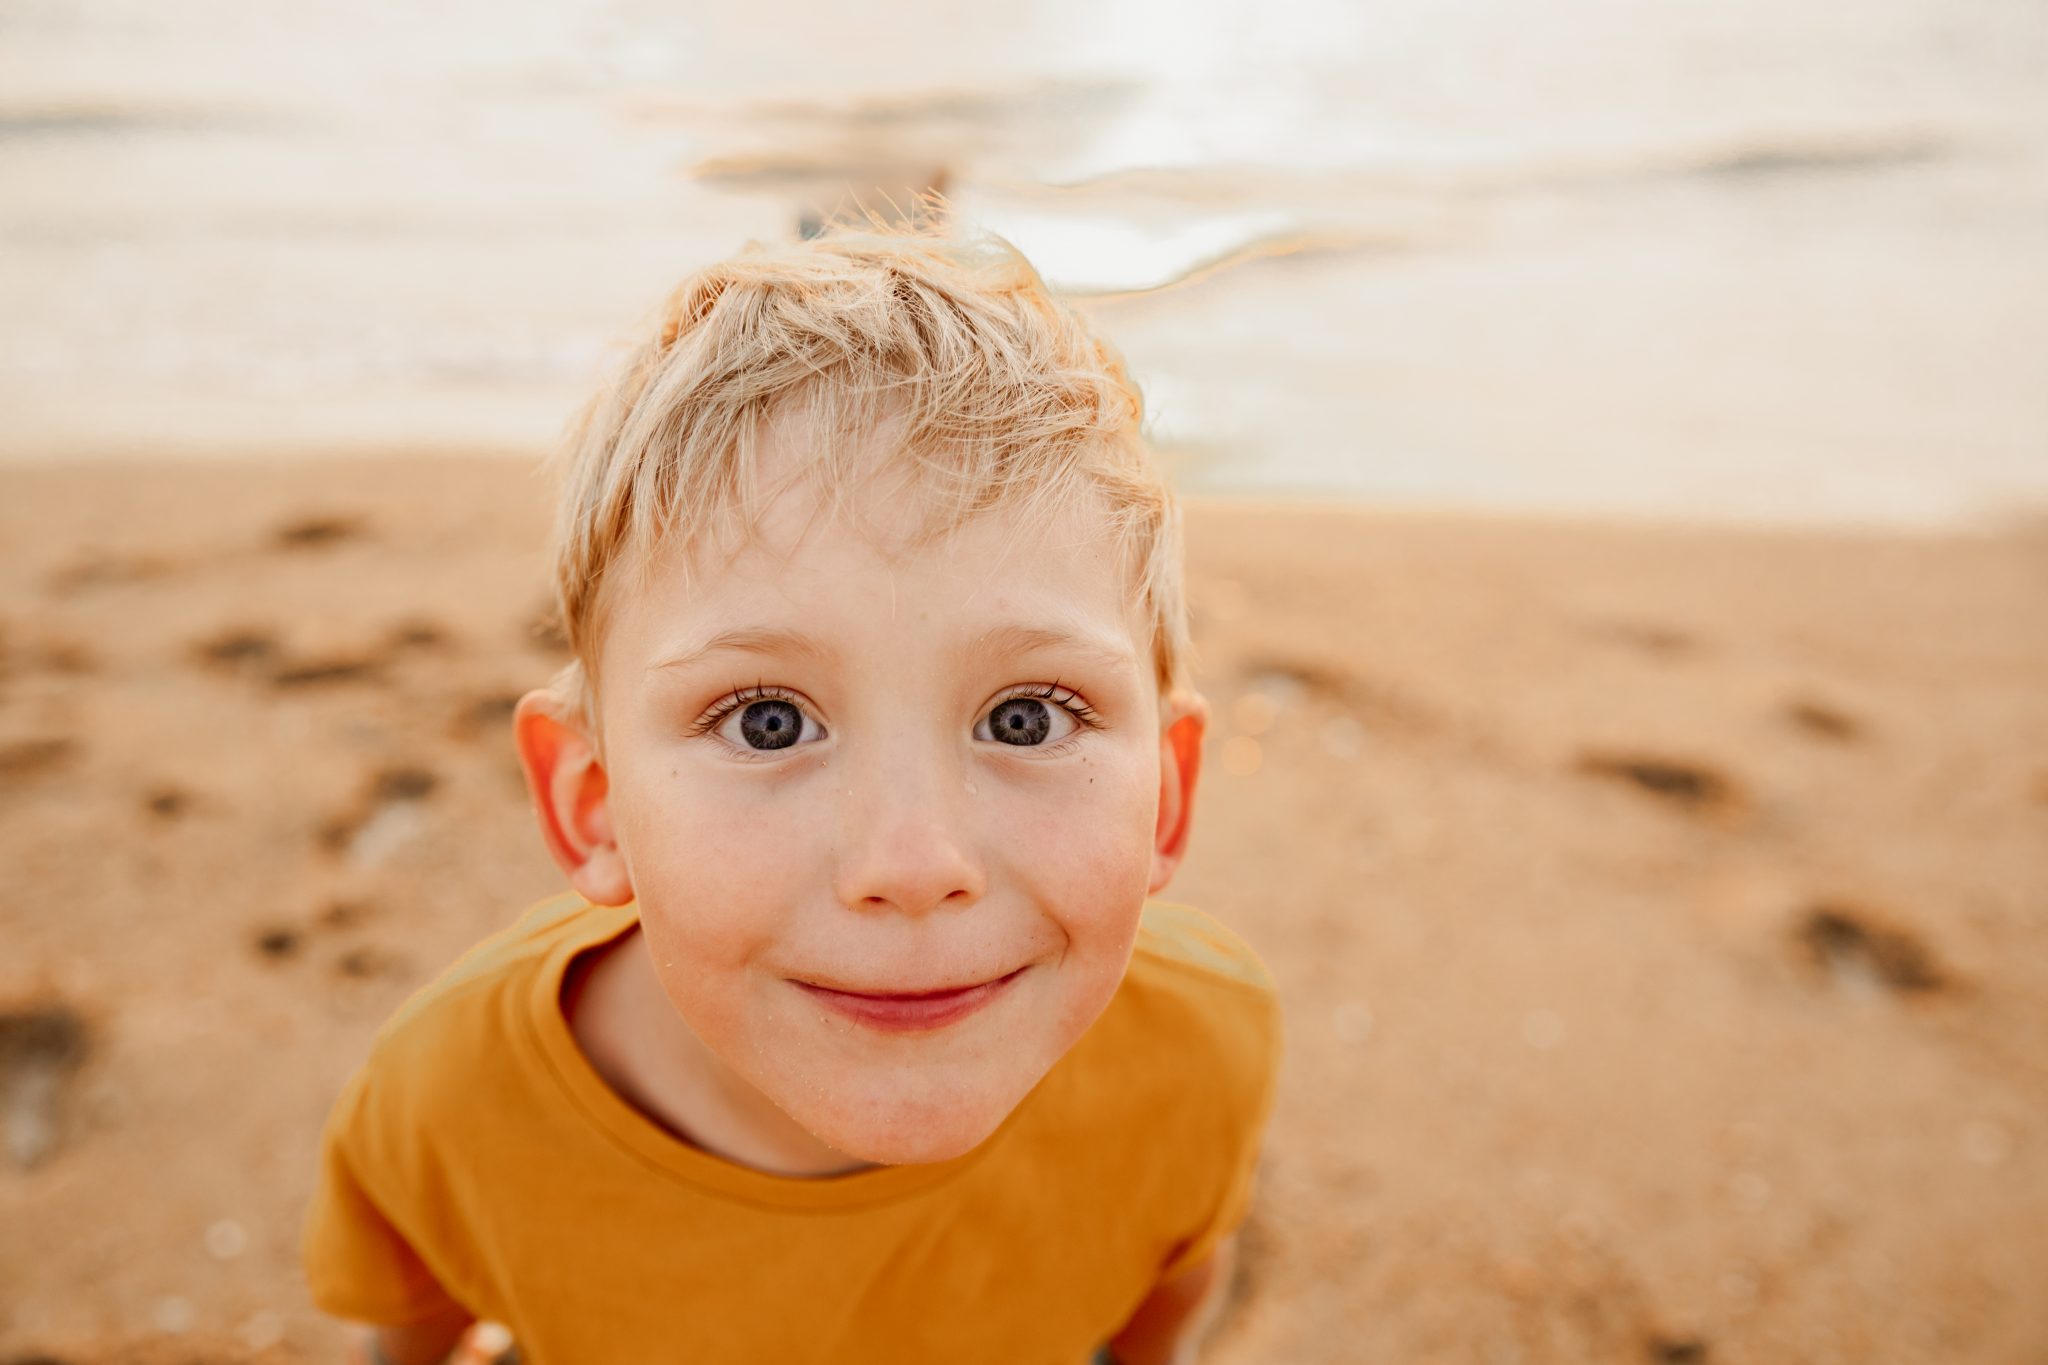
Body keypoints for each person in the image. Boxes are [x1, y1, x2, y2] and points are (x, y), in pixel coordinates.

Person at [302, 221, 1282, 1365]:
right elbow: (403, 1339)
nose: (912, 867)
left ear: (1163, 798)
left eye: (1025, 718)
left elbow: (1166, 1295)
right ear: (593, 805)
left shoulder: (1204, 1047)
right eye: (768, 723)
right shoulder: (446, 1106)